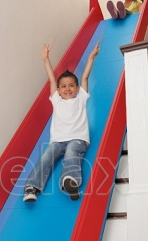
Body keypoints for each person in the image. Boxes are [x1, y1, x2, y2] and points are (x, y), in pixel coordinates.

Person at [23, 41, 100, 202]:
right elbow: (52, 80)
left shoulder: (81, 98)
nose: (67, 89)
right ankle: (32, 187)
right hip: (58, 140)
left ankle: (70, 181)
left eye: (71, 85)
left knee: (72, 153)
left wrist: (91, 57)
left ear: (77, 88)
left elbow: (85, 76)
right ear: (58, 91)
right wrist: (46, 60)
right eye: (63, 86)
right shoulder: (56, 100)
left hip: (78, 138)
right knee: (46, 157)